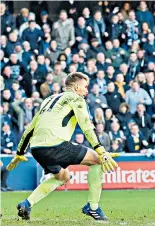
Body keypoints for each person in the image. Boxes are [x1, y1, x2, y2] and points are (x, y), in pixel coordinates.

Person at [6, 72, 119, 221]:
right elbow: (87, 128)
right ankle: (93, 207)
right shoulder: (76, 98)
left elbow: (29, 129)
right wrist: (102, 151)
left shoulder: (48, 100)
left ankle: (27, 203)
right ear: (77, 87)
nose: (86, 91)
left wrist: (19, 152)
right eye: (85, 87)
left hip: (36, 148)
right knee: (98, 160)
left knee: (63, 176)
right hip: (55, 145)